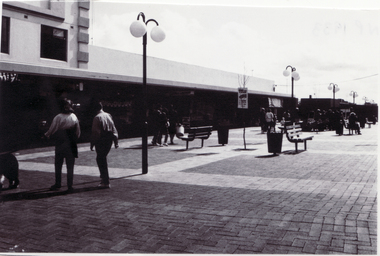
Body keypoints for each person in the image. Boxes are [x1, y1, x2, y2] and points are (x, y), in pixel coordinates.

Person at [45, 98, 81, 192]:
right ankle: (70, 185)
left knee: (58, 164)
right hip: (71, 144)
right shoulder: (74, 116)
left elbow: (52, 129)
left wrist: (46, 135)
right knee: (70, 165)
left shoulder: (58, 117)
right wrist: (74, 139)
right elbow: (78, 132)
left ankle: (58, 184)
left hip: (60, 143)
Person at [90, 102, 119, 188]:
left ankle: (105, 180)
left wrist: (92, 143)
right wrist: (116, 141)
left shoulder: (97, 118)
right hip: (109, 139)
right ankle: (104, 179)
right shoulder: (108, 115)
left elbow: (95, 132)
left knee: (100, 159)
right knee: (102, 158)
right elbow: (114, 128)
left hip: (101, 139)